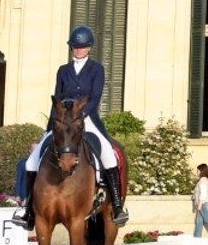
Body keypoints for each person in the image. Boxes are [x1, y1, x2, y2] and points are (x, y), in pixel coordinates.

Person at [12, 25, 129, 229]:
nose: (79, 50)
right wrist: (49, 127)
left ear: (89, 48)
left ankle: (117, 205)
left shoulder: (96, 69)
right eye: (75, 46)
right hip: (63, 120)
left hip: (86, 117)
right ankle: (28, 209)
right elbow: (56, 98)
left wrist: (79, 114)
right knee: (31, 162)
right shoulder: (63, 70)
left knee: (109, 156)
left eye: (82, 47)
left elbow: (95, 97)